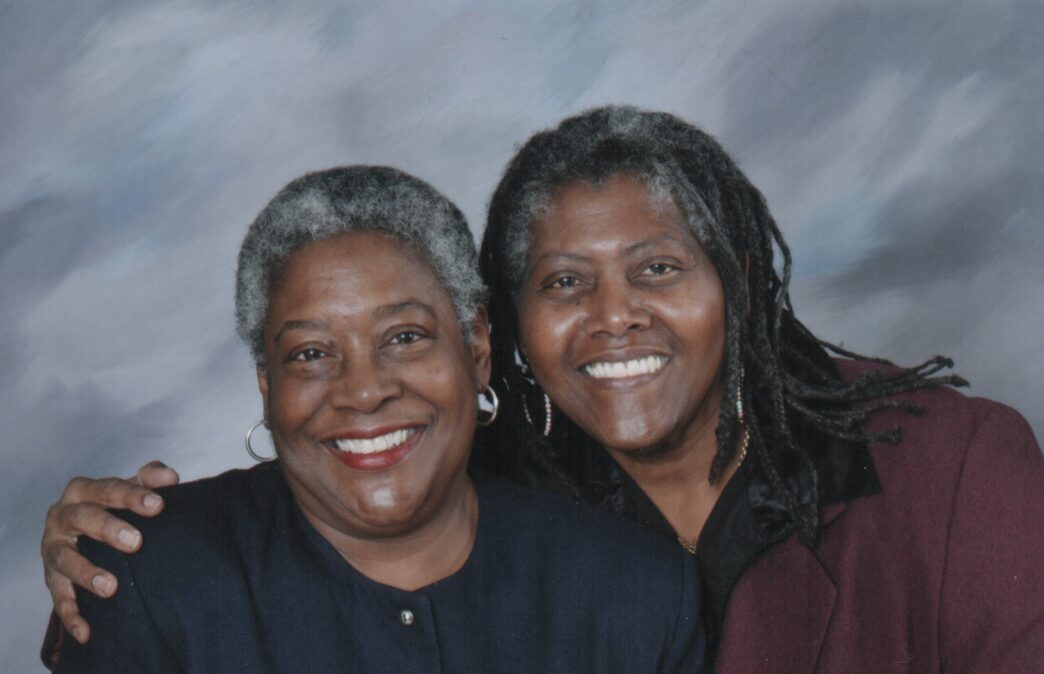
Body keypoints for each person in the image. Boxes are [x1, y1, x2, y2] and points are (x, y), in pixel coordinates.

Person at [42, 107, 1043, 672]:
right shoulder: (489, 478)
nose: (614, 318)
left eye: (656, 268)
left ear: (735, 275)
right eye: (563, 283)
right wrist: (111, 541)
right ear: (505, 331)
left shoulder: (955, 472)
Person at [45, 165, 703, 672]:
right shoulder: (152, 575)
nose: (363, 391)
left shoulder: (631, 590)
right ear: (267, 390)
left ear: (475, 350)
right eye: (311, 354)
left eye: (405, 338)